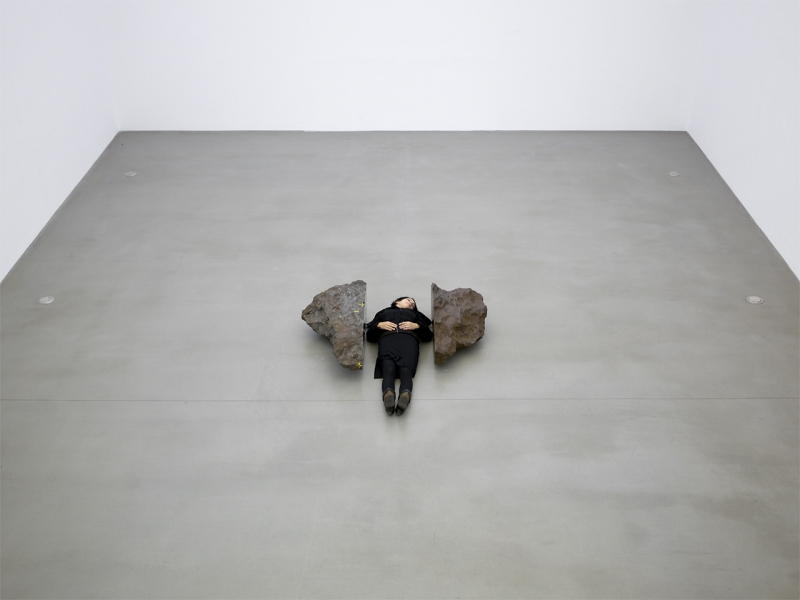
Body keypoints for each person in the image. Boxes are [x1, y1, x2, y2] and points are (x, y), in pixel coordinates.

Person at [365, 297, 433, 416]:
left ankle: (400, 396)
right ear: (397, 301)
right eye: (409, 300)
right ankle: (394, 396)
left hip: (409, 341)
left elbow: (428, 336)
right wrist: (379, 325)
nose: (411, 303)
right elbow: (370, 336)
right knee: (388, 369)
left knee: (405, 371)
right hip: (388, 340)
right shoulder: (384, 313)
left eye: (413, 303)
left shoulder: (416, 315)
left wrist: (416, 326)